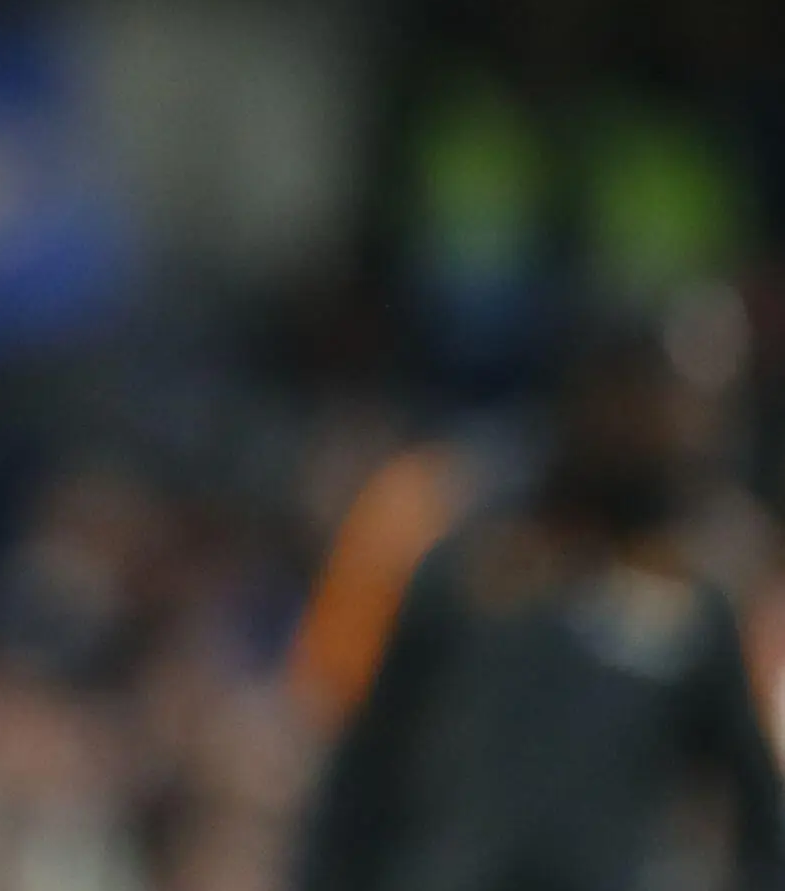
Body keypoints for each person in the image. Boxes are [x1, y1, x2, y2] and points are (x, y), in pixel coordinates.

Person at [293, 325, 785, 891]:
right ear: (597, 398)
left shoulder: (696, 601)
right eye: (661, 407)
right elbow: (365, 768)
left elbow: (759, 810)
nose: (685, 435)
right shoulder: (472, 563)